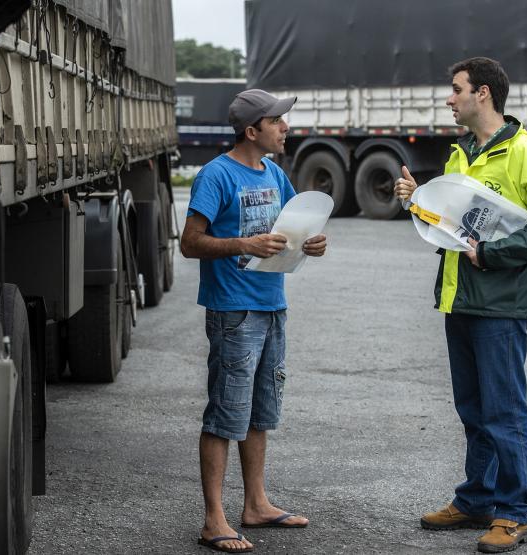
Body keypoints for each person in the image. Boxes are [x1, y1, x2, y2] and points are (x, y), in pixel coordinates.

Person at [394, 57, 527, 553]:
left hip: (501, 302)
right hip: (461, 298)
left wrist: (492, 254)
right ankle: (477, 499)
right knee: (473, 409)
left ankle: (512, 514)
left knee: (504, 412)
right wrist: (416, 201)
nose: (449, 98)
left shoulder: (525, 151)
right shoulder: (461, 153)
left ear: (483, 93)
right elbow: (453, 226)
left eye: (456, 89)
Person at [181, 89, 327, 553]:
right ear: (251, 130)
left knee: (260, 412)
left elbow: (295, 229)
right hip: (234, 311)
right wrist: (244, 244)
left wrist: (313, 244)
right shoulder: (216, 175)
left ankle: (256, 505)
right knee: (226, 413)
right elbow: (189, 242)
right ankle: (213, 520)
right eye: (277, 121)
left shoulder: (274, 173)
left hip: (271, 305)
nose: (286, 127)